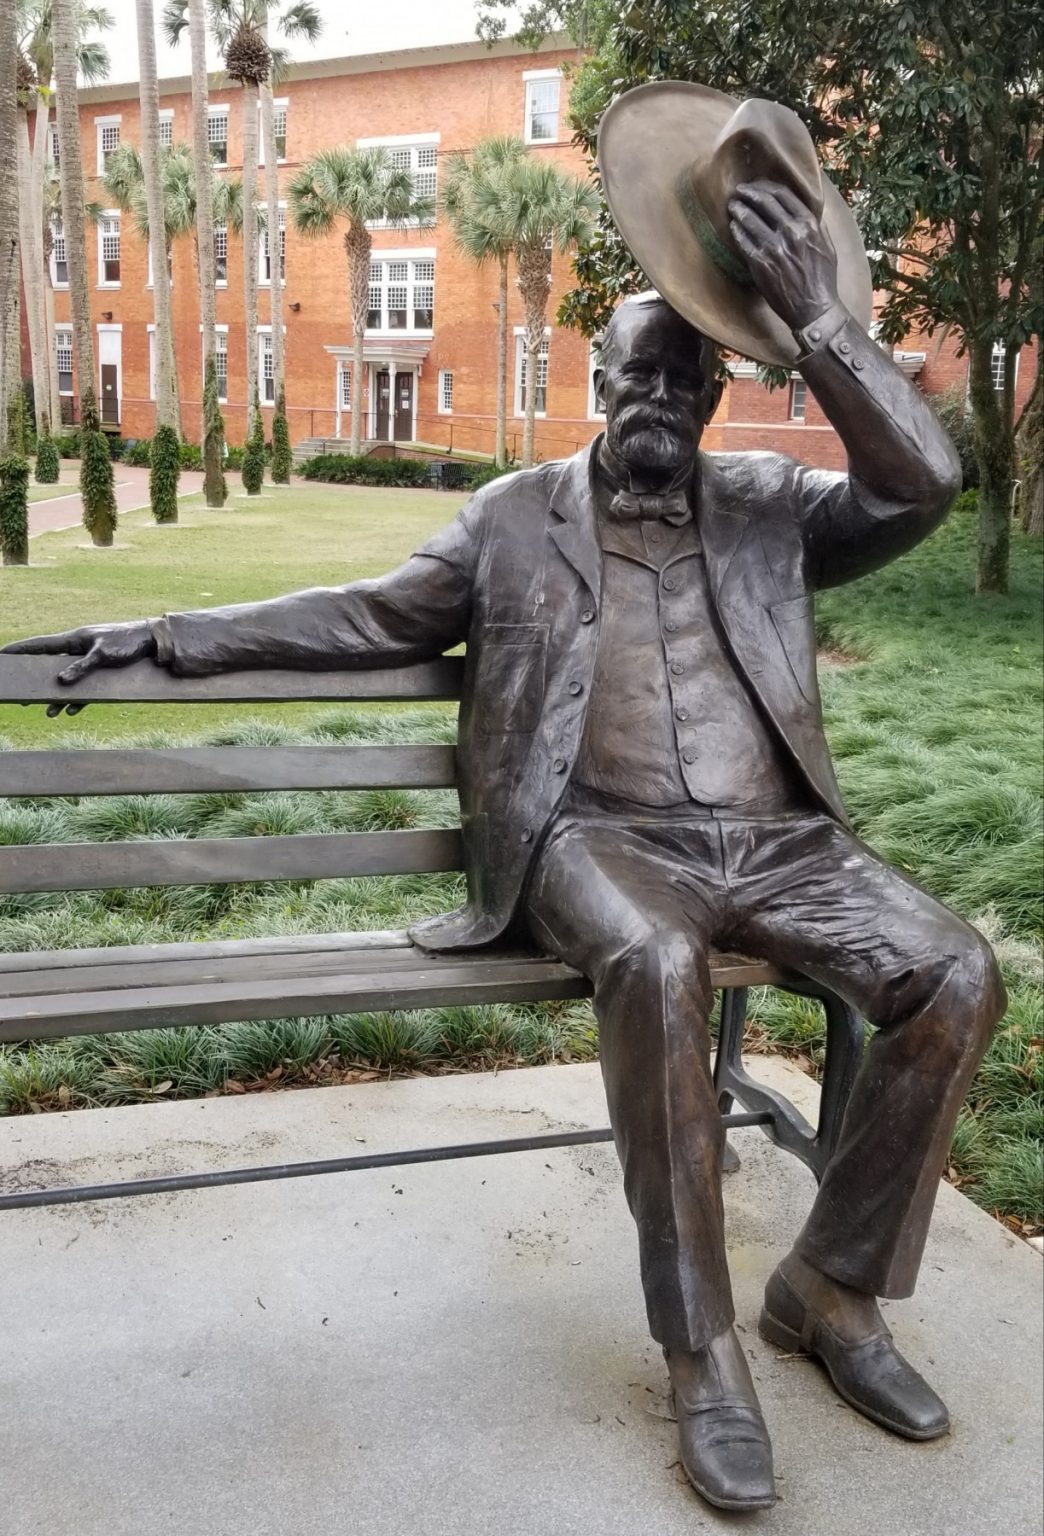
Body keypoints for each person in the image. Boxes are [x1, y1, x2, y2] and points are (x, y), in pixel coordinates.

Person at [5, 176, 1004, 1514]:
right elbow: (362, 620)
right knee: (653, 961)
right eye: (638, 380)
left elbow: (927, 480)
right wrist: (164, 637)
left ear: (714, 398)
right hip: (598, 846)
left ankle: (831, 1286)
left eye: (687, 387)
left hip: (779, 846)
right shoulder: (513, 515)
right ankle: (701, 1346)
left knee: (956, 971)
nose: (661, 405)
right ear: (596, 377)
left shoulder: (775, 505)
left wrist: (821, 328)